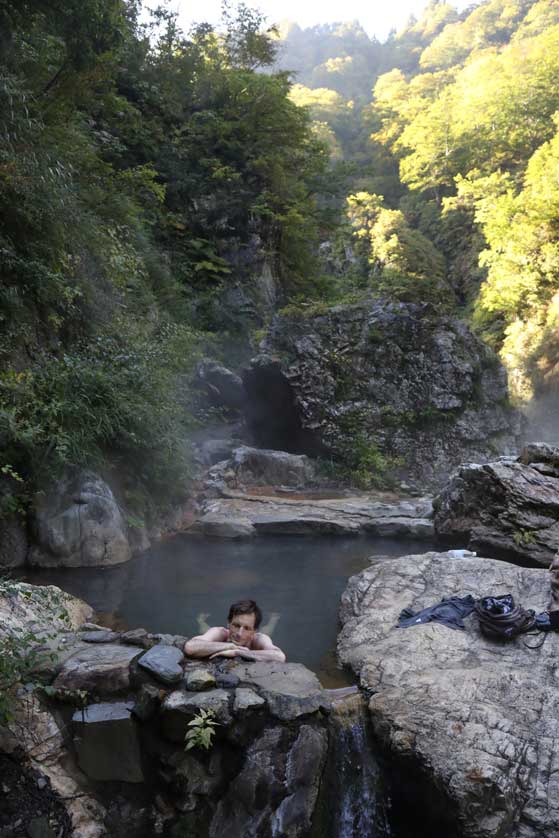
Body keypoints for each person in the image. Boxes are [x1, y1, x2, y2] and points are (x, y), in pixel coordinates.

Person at [184, 599, 286, 662]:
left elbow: (279, 657)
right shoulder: (220, 632)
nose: (239, 633)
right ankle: (200, 621)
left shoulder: (259, 639)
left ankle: (274, 619)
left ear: (254, 631)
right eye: (236, 625)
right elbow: (190, 647)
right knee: (205, 629)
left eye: (247, 628)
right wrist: (229, 646)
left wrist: (237, 652)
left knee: (267, 631)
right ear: (228, 623)